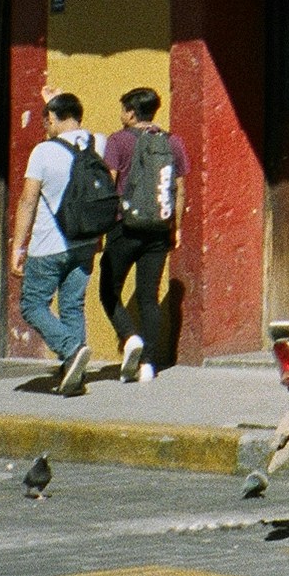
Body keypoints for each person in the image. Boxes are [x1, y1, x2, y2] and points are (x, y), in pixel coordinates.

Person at [11, 93, 102, 395]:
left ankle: (71, 349)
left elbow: (27, 201)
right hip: (86, 240)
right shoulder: (97, 143)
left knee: (32, 304)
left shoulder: (43, 151)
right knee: (72, 306)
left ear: (51, 119)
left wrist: (18, 247)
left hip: (49, 243)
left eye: (46, 120)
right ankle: (73, 375)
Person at [99, 87, 189, 384]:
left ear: (132, 112)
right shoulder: (173, 142)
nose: (121, 114)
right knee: (149, 297)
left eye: (123, 109)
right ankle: (149, 364)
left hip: (124, 227)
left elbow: (109, 185)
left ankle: (129, 338)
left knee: (109, 290)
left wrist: (102, 227)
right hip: (159, 230)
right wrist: (174, 227)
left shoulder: (117, 140)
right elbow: (179, 188)